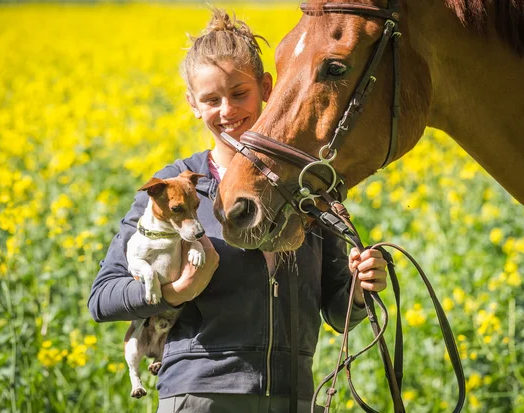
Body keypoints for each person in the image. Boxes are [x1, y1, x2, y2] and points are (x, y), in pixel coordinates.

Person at [88, 8, 387, 413]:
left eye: (239, 93)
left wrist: (360, 288)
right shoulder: (172, 188)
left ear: (267, 87)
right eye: (211, 99)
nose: (227, 111)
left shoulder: (307, 185)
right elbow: (103, 297)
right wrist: (177, 292)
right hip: (200, 397)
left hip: (294, 397)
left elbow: (337, 311)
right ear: (193, 104)